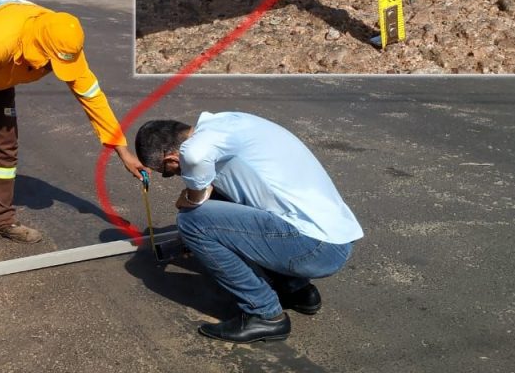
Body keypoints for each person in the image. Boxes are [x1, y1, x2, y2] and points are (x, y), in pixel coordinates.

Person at [0, 0, 146, 264]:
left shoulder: (64, 39)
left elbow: (91, 96)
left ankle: (0, 220)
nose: (53, 70)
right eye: (50, 63)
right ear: (39, 50)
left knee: (4, 143)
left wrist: (122, 151)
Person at [134, 112, 363, 343]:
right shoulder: (224, 124)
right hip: (334, 237)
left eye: (169, 173)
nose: (175, 175)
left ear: (172, 159)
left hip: (315, 248)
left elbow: (194, 157)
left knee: (192, 221)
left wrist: (192, 197)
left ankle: (264, 314)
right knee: (219, 198)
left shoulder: (196, 148)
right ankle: (296, 289)